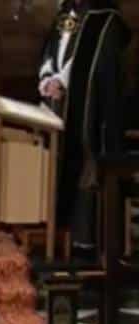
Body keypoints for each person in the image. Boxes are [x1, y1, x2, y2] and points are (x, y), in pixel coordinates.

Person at [38, 0, 131, 262]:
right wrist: (47, 78)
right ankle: (55, 234)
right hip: (56, 105)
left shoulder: (106, 20)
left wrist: (61, 80)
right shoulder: (66, 11)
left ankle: (83, 240)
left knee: (83, 170)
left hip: (89, 115)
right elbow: (50, 49)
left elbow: (93, 65)